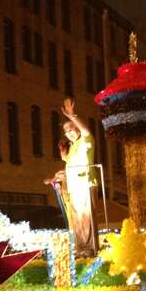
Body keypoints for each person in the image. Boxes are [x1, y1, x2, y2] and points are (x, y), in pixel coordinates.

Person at [44, 98, 98, 257]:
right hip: (74, 186)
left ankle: (89, 249)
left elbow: (87, 132)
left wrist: (73, 116)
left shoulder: (86, 140)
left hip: (85, 183)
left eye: (71, 129)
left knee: (85, 218)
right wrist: (63, 162)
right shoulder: (74, 146)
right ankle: (80, 247)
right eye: (66, 132)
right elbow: (72, 163)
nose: (69, 133)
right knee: (76, 219)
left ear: (78, 128)